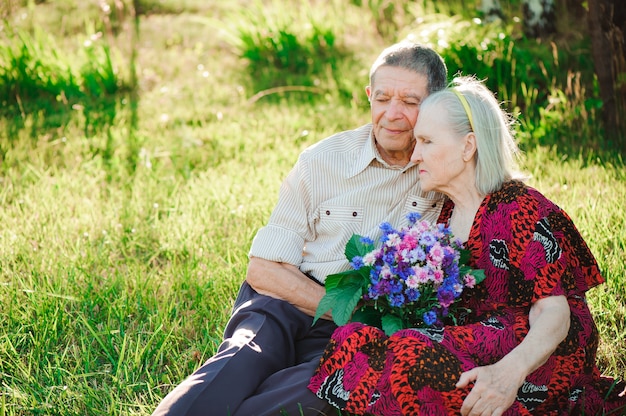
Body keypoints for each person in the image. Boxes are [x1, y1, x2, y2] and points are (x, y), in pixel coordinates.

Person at [151, 41, 448, 416]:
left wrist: (357, 320)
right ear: (369, 96)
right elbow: (263, 270)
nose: (392, 114)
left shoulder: (443, 171)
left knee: (316, 391)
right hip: (284, 299)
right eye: (383, 98)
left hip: (357, 328)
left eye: (410, 101)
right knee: (244, 355)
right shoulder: (321, 161)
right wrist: (342, 310)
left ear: (437, 103)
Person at [308, 76, 626, 415]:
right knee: (354, 339)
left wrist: (509, 374)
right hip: (478, 340)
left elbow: (554, 313)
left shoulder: (517, 208)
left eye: (427, 141)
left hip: (536, 354)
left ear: (468, 146)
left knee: (407, 352)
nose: (415, 155)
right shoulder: (444, 215)